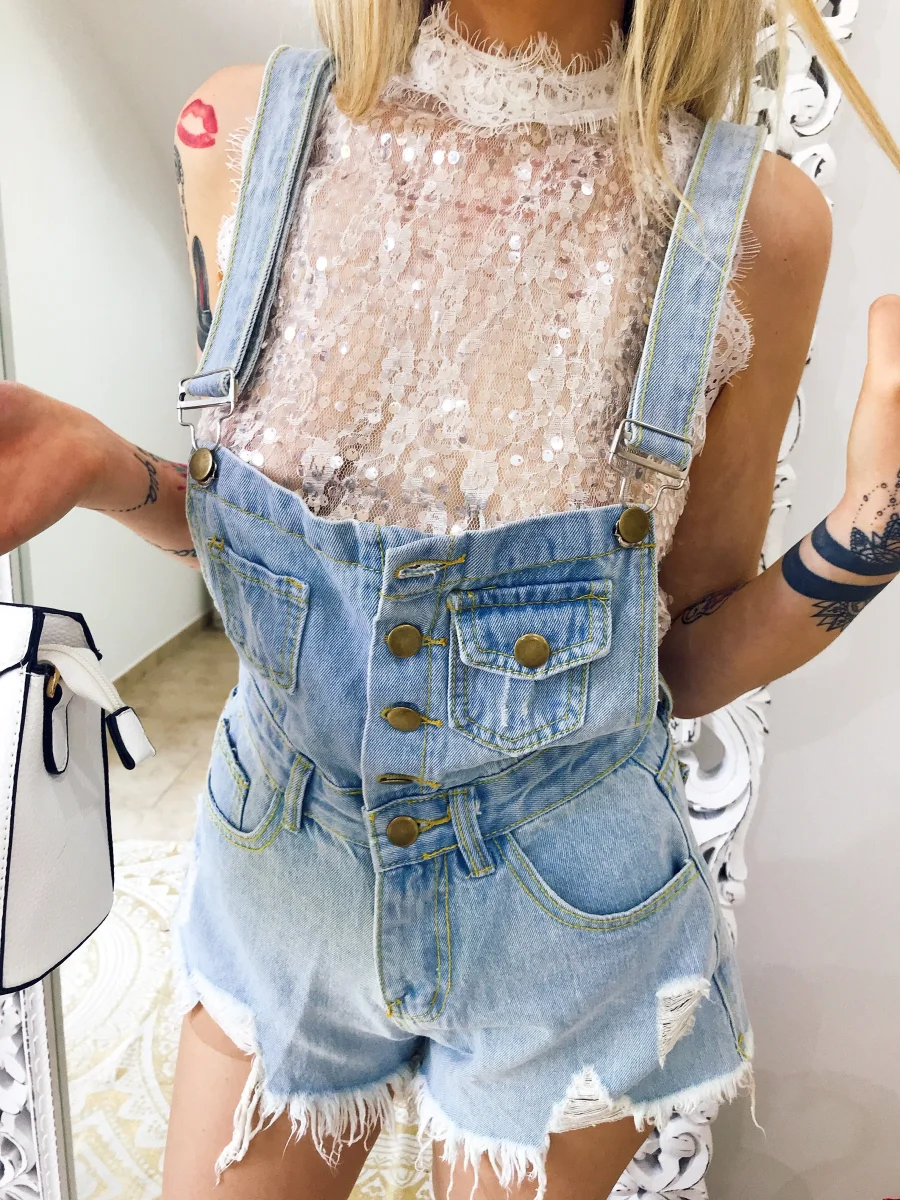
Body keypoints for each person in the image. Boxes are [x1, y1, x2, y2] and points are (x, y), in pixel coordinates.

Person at [2, 0, 899, 1196]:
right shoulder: (246, 130)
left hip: (564, 919)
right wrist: (99, 464)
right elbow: (266, 556)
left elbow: (678, 660)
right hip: (283, 865)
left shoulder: (755, 225)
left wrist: (875, 527)